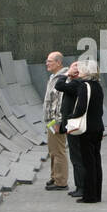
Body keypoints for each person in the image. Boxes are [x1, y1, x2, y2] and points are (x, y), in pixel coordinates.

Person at [72, 60, 104, 203]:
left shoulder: (84, 86)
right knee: (96, 161)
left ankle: (89, 195)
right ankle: (97, 194)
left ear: (86, 71)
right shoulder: (98, 86)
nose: (79, 71)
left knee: (88, 162)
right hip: (98, 127)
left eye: (81, 69)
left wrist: (70, 118)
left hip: (87, 129)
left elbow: (80, 108)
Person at [55, 62, 86, 198]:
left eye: (73, 67)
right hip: (73, 124)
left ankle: (81, 187)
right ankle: (81, 186)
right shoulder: (79, 83)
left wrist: (66, 74)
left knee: (77, 157)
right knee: (78, 156)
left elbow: (59, 85)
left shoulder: (76, 83)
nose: (70, 69)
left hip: (74, 125)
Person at [42, 51, 68, 192]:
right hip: (51, 122)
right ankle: (55, 177)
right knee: (53, 151)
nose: (47, 63)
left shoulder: (62, 77)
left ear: (58, 62)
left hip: (56, 122)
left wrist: (58, 122)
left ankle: (61, 181)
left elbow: (60, 103)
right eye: (47, 60)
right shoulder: (53, 77)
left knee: (59, 151)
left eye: (50, 61)